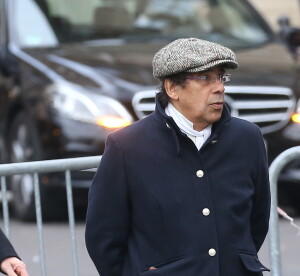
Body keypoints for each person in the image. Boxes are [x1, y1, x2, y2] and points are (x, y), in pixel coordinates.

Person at [85, 37, 271, 276]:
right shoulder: (127, 145)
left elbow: (256, 221)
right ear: (172, 88)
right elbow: (104, 237)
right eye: (205, 78)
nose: (219, 87)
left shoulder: (247, 138)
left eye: (221, 77)